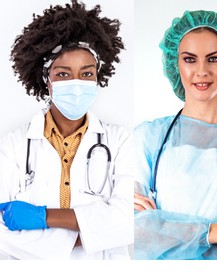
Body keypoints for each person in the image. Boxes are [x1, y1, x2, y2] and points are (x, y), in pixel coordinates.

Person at [0, 0, 132, 259]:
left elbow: (129, 218)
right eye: (63, 74)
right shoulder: (12, 147)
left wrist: (43, 218)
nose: (76, 83)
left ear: (97, 77)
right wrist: (92, 234)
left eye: (86, 74)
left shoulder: (121, 141)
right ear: (45, 80)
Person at [132, 10, 217, 260]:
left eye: (213, 59)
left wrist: (163, 225)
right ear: (176, 63)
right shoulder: (149, 138)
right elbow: (135, 230)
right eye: (190, 59)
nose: (202, 70)